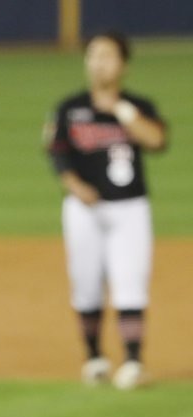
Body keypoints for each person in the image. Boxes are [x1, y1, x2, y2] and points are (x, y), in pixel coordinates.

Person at [45, 30, 169, 390]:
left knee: (130, 283)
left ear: (123, 65)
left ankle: (132, 361)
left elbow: (157, 140)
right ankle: (95, 357)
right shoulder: (70, 108)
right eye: (93, 56)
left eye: (107, 56)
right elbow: (57, 152)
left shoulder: (138, 107)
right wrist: (74, 185)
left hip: (130, 208)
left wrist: (120, 110)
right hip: (83, 211)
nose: (99, 63)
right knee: (85, 285)